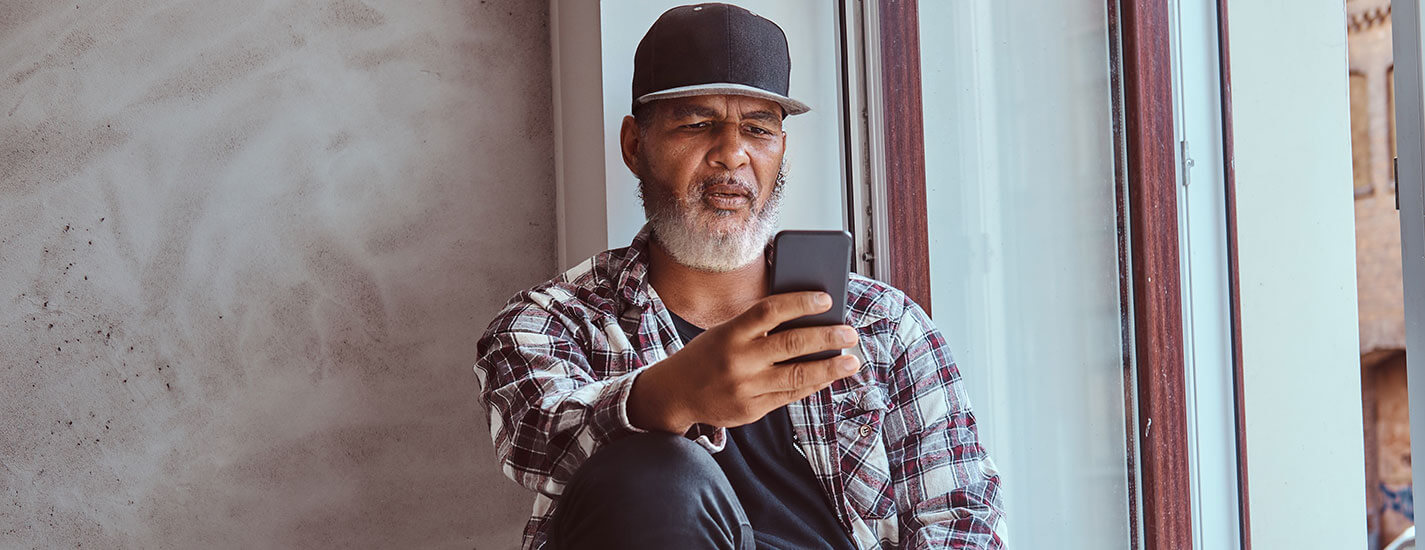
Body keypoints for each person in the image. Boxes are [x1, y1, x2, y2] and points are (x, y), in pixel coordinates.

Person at [474, 4, 1004, 549]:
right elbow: (535, 440)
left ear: (781, 150)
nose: (732, 154)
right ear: (635, 145)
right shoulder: (554, 321)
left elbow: (963, 518)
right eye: (697, 124)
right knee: (655, 473)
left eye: (758, 128)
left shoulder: (883, 325)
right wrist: (669, 398)